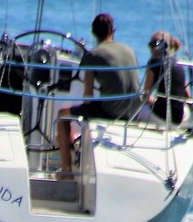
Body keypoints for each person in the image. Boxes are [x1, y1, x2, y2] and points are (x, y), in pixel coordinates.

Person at [57, 13, 142, 174]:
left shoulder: (93, 55)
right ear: (112, 31)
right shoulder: (130, 51)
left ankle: (65, 170)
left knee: (62, 115)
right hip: (134, 111)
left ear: (93, 33)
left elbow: (88, 97)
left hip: (111, 111)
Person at [143, 31, 190, 125]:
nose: (153, 48)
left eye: (154, 44)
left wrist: (154, 101)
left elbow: (146, 95)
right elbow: (188, 96)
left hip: (163, 117)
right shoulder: (177, 63)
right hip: (179, 117)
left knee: (139, 107)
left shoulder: (154, 62)